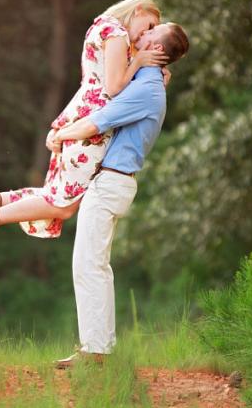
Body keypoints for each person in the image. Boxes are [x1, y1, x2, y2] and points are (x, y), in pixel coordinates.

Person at [0, 0, 168, 257]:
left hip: (81, 114)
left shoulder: (101, 26)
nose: (149, 32)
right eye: (150, 24)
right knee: (62, 205)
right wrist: (140, 62)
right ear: (139, 9)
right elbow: (114, 88)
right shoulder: (117, 34)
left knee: (57, 195)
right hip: (92, 128)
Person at [49, 22, 190, 368]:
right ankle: (97, 349)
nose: (141, 36)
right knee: (93, 264)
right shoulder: (146, 80)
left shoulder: (149, 88)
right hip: (112, 181)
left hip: (112, 182)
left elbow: (98, 121)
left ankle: (95, 353)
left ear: (157, 48)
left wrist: (59, 135)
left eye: (150, 35)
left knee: (89, 264)